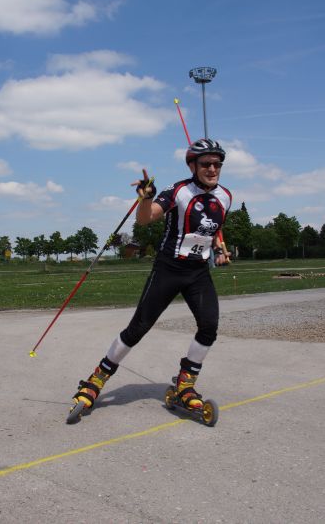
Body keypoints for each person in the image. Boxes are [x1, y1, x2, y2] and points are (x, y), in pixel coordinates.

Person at [70, 138, 232, 416]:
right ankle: (97, 379)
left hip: (198, 273)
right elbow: (145, 219)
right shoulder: (179, 191)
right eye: (206, 163)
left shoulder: (225, 196)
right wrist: (145, 198)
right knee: (138, 328)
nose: (212, 169)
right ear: (192, 166)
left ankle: (185, 384)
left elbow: (213, 228)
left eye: (217, 164)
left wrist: (219, 248)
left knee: (209, 326)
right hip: (169, 269)